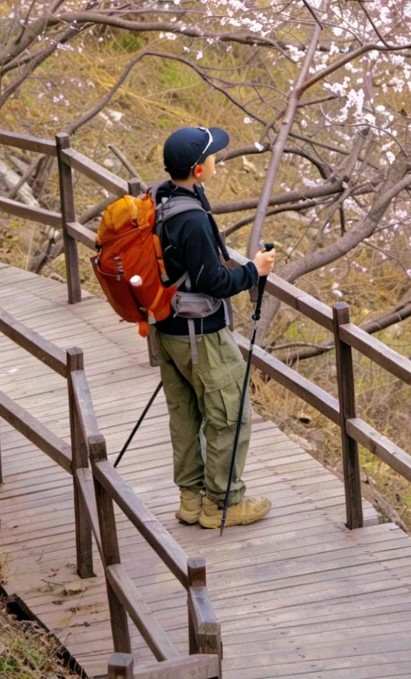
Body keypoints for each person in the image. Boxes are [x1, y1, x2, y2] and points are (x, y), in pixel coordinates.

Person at [152, 124, 276, 529]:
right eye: (212, 155)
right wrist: (253, 272)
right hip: (200, 334)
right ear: (199, 169)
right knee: (229, 414)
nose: (217, 158)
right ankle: (222, 503)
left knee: (185, 414)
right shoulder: (191, 219)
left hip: (168, 330)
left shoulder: (160, 199)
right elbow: (212, 281)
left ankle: (191, 500)